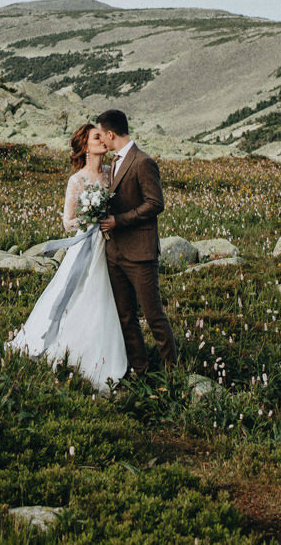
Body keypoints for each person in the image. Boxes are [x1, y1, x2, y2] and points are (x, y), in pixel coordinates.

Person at [5, 122, 128, 390]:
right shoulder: (78, 180)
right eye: (97, 137)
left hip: (111, 245)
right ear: (85, 146)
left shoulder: (111, 173)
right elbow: (67, 222)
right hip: (86, 246)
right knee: (81, 293)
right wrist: (91, 219)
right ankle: (71, 348)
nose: (103, 141)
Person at [93, 108, 176, 375]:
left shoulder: (143, 162)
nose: (101, 142)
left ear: (110, 133)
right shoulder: (112, 163)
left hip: (140, 253)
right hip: (115, 252)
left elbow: (155, 204)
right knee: (125, 315)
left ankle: (173, 371)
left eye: (102, 136)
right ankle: (139, 367)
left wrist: (120, 220)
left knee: (153, 316)